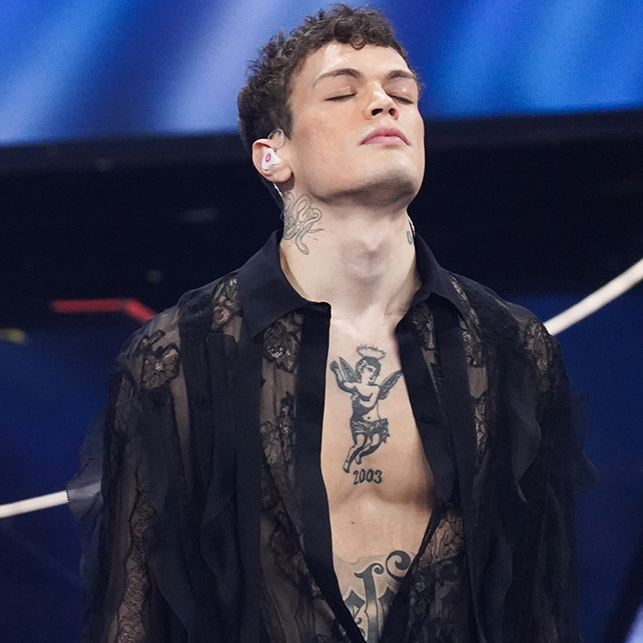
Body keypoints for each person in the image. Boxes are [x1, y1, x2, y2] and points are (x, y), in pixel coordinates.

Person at [69, 5, 593, 642]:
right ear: (273, 155)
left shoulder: (511, 348)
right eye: (343, 92)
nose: (384, 103)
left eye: (403, 94)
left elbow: (541, 605)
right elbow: (133, 613)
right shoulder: (179, 356)